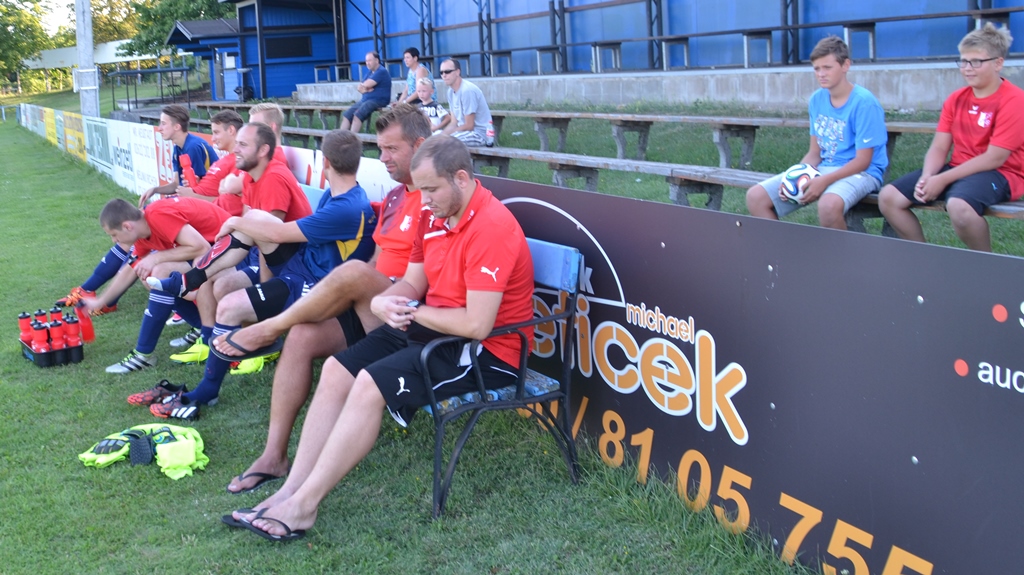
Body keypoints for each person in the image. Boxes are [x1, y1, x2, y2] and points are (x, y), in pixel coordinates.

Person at [227, 135, 534, 541]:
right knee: (336, 369)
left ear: (461, 178)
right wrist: (387, 301)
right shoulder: (433, 214)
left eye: (432, 189)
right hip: (433, 330)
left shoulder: (491, 227)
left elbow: (477, 325)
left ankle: (304, 507)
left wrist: (411, 311)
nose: (424, 200)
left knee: (370, 384)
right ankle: (289, 490)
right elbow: (413, 282)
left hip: (486, 352)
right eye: (421, 190)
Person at [218, 103, 432, 494]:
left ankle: (268, 329)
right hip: (370, 306)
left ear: (419, 146)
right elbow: (376, 259)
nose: (383, 157)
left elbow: (426, 277)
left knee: (352, 273)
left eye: (392, 149)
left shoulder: (437, 199)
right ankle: (273, 456)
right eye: (380, 149)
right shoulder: (397, 197)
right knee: (302, 335)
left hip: (407, 316)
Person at [138, 129, 376, 421]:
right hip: (301, 268)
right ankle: (192, 280)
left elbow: (278, 233)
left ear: (324, 161)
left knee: (230, 304)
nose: (237, 149)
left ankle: (207, 389)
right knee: (254, 219)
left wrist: (235, 221)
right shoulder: (337, 195)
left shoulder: (347, 207)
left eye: (242, 143)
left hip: (315, 287)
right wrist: (244, 223)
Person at [55, 105, 223, 316]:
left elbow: (200, 190)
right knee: (140, 259)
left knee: (150, 261)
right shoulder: (178, 149)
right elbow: (178, 185)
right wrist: (156, 190)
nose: (159, 128)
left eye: (163, 123)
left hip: (215, 232)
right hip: (196, 226)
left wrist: (156, 256)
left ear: (177, 126)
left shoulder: (194, 147)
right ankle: (94, 294)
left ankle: (198, 318)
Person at [879, 24, 1024, 252]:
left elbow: (995, 158)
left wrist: (943, 179)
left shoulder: (1014, 100)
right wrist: (928, 177)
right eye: (963, 61)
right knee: (888, 198)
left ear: (998, 63)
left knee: (959, 206)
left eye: (976, 62)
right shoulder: (956, 99)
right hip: (959, 168)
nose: (967, 68)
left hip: (1001, 173)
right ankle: (926, 261)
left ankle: (985, 266)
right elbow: (939, 147)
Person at [745, 36, 887, 230]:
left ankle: (842, 251)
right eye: (816, 69)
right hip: (825, 168)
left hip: (863, 172)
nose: (821, 74)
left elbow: (863, 161)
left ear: (845, 65)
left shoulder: (864, 103)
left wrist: (824, 181)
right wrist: (793, 178)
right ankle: (781, 250)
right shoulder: (817, 99)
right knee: (756, 197)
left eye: (827, 68)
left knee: (828, 206)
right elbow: (815, 152)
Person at [80, 197, 230, 373]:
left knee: (160, 272)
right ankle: (200, 326)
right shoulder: (142, 232)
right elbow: (130, 270)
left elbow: (201, 247)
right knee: (148, 277)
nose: (114, 240)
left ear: (127, 226)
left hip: (237, 251)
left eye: (113, 234)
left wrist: (155, 257)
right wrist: (101, 301)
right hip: (213, 251)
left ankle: (143, 354)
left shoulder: (158, 215)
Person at [138, 109, 246, 217]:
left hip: (199, 208)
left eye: (216, 132)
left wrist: (193, 196)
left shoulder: (239, 162)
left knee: (148, 214)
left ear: (231, 130)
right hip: (193, 202)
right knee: (144, 213)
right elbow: (183, 184)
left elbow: (230, 203)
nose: (212, 139)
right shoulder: (225, 160)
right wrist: (196, 184)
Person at [439, 59, 493, 147]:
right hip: (462, 132)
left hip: (479, 134)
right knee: (433, 139)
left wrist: (446, 136)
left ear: (457, 72)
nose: (444, 75)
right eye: (441, 72)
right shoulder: (450, 92)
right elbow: (454, 123)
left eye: (447, 71)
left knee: (447, 142)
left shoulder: (467, 91)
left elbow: (469, 125)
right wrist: (441, 136)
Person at [340, 52, 392, 134]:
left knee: (357, 116)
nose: (367, 63)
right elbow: (360, 87)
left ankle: (352, 139)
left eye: (369, 60)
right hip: (365, 100)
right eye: (366, 61)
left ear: (376, 60)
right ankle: (340, 138)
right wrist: (366, 88)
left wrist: (366, 87)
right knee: (347, 115)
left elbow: (366, 85)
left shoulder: (381, 71)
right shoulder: (370, 73)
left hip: (377, 101)